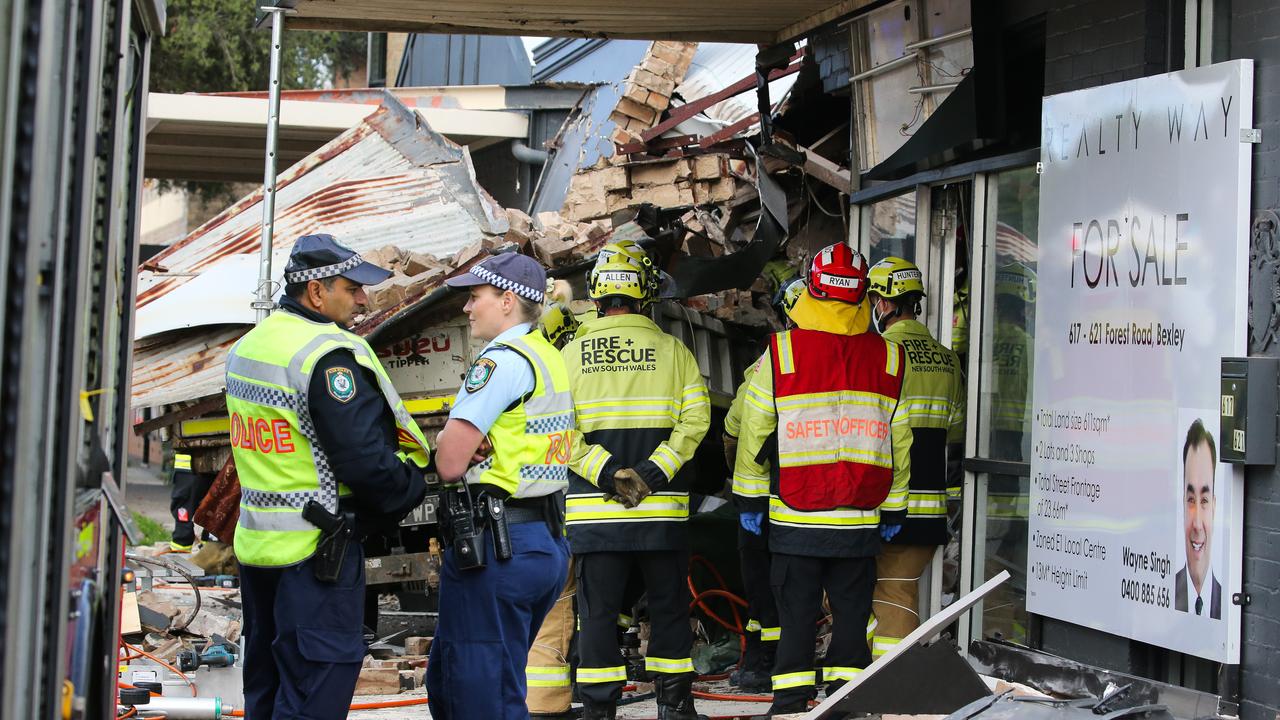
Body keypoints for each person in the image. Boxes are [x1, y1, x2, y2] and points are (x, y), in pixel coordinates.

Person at [225, 234, 430, 720]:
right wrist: (412, 486)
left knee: (268, 686)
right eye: (352, 288)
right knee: (316, 687)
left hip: (258, 551)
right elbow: (364, 462)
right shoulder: (326, 355)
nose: (362, 299)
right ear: (316, 292)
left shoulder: (249, 347)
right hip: (318, 553)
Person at [733, 242, 906, 718]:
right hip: (860, 521)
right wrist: (895, 505)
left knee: (796, 619)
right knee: (852, 620)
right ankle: (844, 706)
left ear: (813, 289)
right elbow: (900, 438)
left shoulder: (783, 351)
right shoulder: (889, 357)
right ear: (862, 296)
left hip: (795, 519)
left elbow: (754, 427)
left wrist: (748, 499)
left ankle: (790, 706)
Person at [561, 243, 711, 720]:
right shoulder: (674, 352)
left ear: (598, 294)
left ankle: (600, 710)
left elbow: (555, 431)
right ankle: (675, 706)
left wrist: (607, 473)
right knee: (668, 610)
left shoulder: (568, 355)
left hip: (594, 516)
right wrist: (650, 473)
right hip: (660, 516)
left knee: (598, 616)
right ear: (646, 294)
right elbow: (696, 420)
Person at [427, 253, 575, 720]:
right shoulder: (547, 356)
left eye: (475, 297)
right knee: (498, 680)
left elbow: (450, 463)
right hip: (543, 543)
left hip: (497, 548)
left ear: (507, 300)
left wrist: (450, 444)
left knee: (475, 693)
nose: (468, 309)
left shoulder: (499, 362)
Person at [865, 257, 964, 659]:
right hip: (932, 506)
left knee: (886, 597)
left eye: (873, 298)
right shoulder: (947, 358)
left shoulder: (880, 353)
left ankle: (889, 681)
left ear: (885, 304)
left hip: (889, 503)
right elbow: (955, 429)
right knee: (896, 592)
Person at [724, 277, 804, 692]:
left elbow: (736, 424)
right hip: (820, 500)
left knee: (762, 581)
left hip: (767, 493)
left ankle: (762, 664)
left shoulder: (771, 361)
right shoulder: (846, 358)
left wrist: (743, 493)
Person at [525, 293, 583, 719]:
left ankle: (537, 701)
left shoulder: (519, 368)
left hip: (530, 515)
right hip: (557, 514)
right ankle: (549, 704)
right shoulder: (561, 372)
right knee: (560, 606)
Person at [1174, 419, 1222, 619]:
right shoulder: (1169, 592)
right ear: (1182, 504)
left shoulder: (1225, 604)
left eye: (1204, 500)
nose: (1197, 524)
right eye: (1191, 500)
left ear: (1214, 507)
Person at [168, 451, 213, 551]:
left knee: (183, 509)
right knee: (213, 508)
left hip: (188, 465)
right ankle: (209, 549)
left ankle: (181, 549)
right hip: (211, 462)